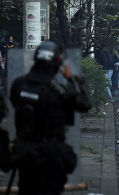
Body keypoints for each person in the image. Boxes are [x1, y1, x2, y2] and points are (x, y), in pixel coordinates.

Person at [9, 40, 91, 194]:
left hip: (25, 153)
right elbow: (84, 105)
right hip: (50, 155)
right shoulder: (59, 91)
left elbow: (15, 105)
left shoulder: (19, 85)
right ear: (57, 63)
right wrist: (72, 79)